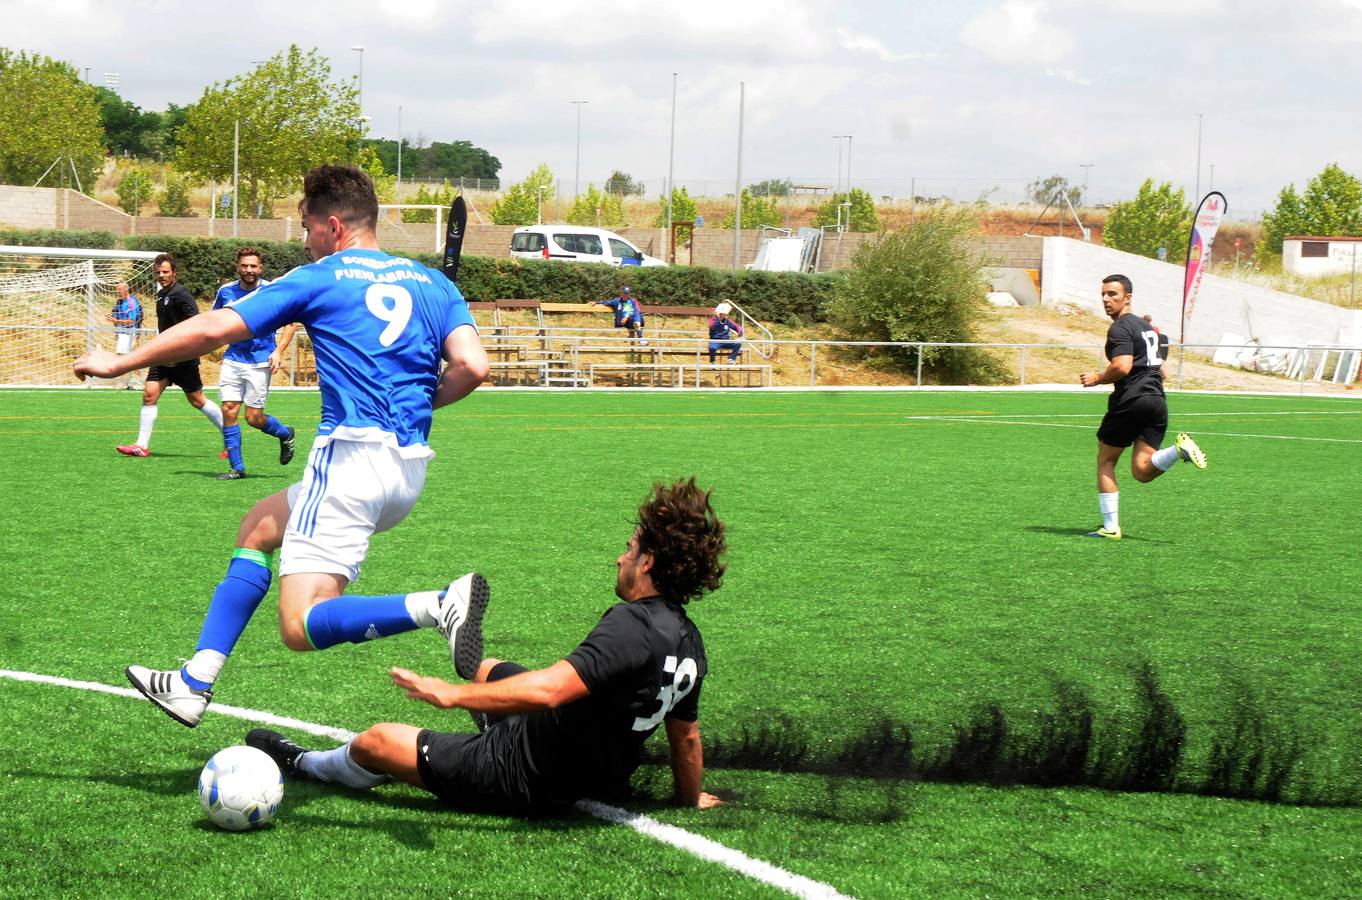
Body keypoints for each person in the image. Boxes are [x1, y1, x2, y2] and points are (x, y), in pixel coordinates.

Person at [73, 164, 490, 727]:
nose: (305, 240)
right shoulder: (434, 283)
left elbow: (214, 328)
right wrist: (418, 402)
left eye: (308, 228)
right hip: (408, 470)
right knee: (259, 526)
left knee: (300, 625)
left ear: (334, 226)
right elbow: (472, 366)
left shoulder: (320, 276)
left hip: (348, 463)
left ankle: (438, 605)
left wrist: (120, 362)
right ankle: (195, 680)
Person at [247, 477, 725, 815]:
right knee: (486, 667)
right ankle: (488, 713)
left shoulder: (631, 625)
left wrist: (451, 696)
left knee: (379, 741)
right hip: (583, 759)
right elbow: (685, 737)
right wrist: (691, 798)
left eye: (630, 548)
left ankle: (304, 762)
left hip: (526, 772)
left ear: (648, 563)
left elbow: (549, 691)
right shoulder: (689, 641)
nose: (621, 558)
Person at [1079, 274, 1207, 540]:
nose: (1106, 299)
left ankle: (1111, 527)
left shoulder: (1120, 328)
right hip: (1156, 402)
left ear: (1128, 297)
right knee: (1142, 471)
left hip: (1131, 401)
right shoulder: (1146, 327)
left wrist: (1098, 378)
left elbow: (1122, 366)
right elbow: (1162, 369)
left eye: (1112, 294)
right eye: (1103, 294)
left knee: (1105, 460)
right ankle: (1177, 451)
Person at [114, 254, 225, 457]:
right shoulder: (160, 295)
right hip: (164, 355)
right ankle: (141, 446)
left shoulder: (181, 294)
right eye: (158, 272)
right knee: (149, 395)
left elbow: (196, 323)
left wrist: (183, 348)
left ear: (174, 273)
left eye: (165, 271)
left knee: (197, 400)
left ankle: (231, 438)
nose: (161, 275)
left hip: (183, 357)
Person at [210, 247, 299, 481]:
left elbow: (291, 324)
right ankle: (237, 468)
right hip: (233, 359)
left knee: (253, 418)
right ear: (237, 267)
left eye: (253, 266)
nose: (248, 270)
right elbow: (213, 320)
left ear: (260, 268)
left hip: (260, 362)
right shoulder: (226, 291)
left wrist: (278, 351)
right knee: (229, 409)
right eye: (244, 265)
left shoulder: (271, 290)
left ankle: (285, 434)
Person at [107, 281, 144, 390]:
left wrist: (117, 321)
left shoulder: (131, 302)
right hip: (122, 332)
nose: (117, 293)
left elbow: (132, 320)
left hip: (129, 333)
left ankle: (133, 381)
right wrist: (111, 316)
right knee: (125, 357)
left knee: (126, 357)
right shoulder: (120, 301)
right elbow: (116, 313)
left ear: (125, 290)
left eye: (119, 290)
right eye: (117, 291)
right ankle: (132, 381)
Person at [708, 300, 744, 364]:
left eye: (724, 314)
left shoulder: (727, 321)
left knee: (738, 344)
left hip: (726, 341)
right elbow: (712, 326)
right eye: (721, 313)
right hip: (715, 341)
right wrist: (716, 318)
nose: (723, 315)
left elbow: (736, 327)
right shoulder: (714, 320)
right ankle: (713, 361)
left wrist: (740, 335)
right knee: (712, 348)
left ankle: (731, 359)